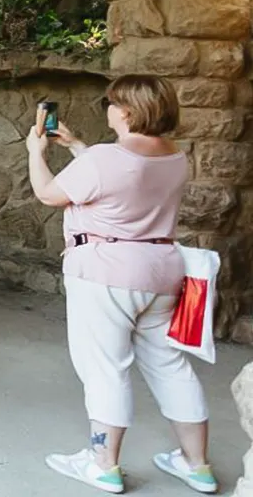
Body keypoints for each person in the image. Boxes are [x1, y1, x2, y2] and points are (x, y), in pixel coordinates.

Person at [28, 76, 214, 495]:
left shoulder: (105, 159)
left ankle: (103, 465)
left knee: (105, 368)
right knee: (169, 365)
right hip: (162, 272)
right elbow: (127, 178)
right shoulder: (175, 158)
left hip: (105, 273)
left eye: (110, 102)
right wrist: (78, 147)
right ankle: (196, 464)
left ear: (126, 111)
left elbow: (48, 193)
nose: (107, 108)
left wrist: (34, 153)